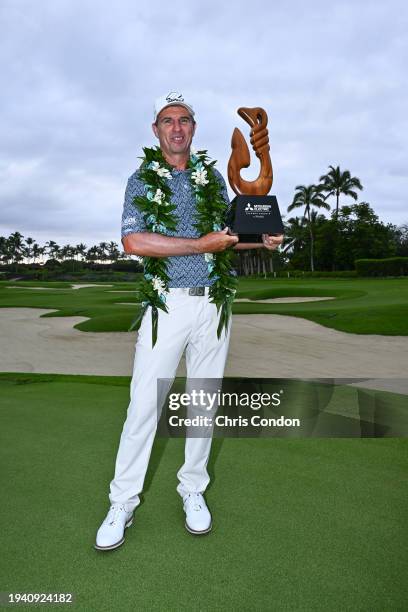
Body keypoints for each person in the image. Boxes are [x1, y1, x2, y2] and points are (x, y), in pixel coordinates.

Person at [95, 92, 283, 550]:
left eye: (184, 121)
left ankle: (193, 490)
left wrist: (262, 242)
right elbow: (134, 242)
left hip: (214, 305)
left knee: (203, 404)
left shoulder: (212, 179)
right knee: (143, 406)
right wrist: (200, 245)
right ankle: (122, 501)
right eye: (167, 121)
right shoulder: (141, 179)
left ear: (194, 130)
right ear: (156, 131)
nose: (176, 128)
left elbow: (225, 239)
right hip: (167, 305)